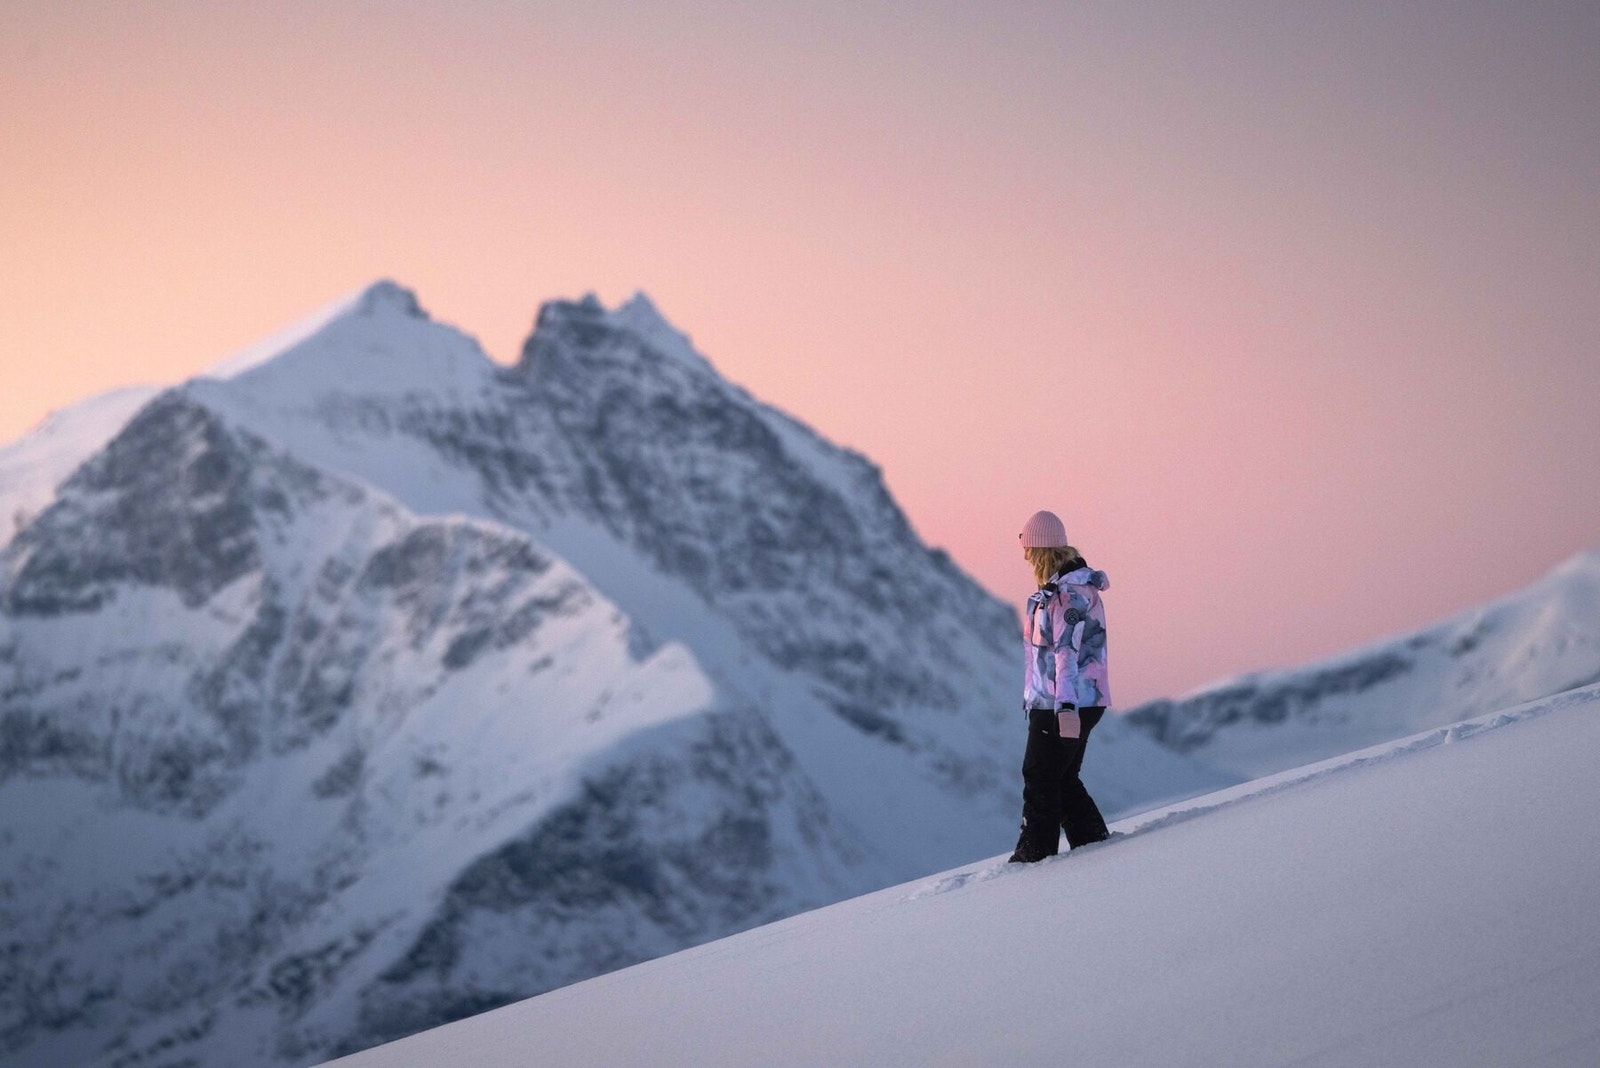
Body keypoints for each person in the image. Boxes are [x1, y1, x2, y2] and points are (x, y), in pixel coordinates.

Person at [1009, 509, 1112, 863]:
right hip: (1074, 699)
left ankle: (1035, 856)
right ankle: (1094, 843)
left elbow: (1066, 652)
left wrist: (1065, 708)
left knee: (1040, 775)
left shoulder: (1068, 595)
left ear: (1042, 550)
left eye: (1028, 550)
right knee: (1063, 778)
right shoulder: (1060, 591)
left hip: (1065, 701)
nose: (1026, 557)